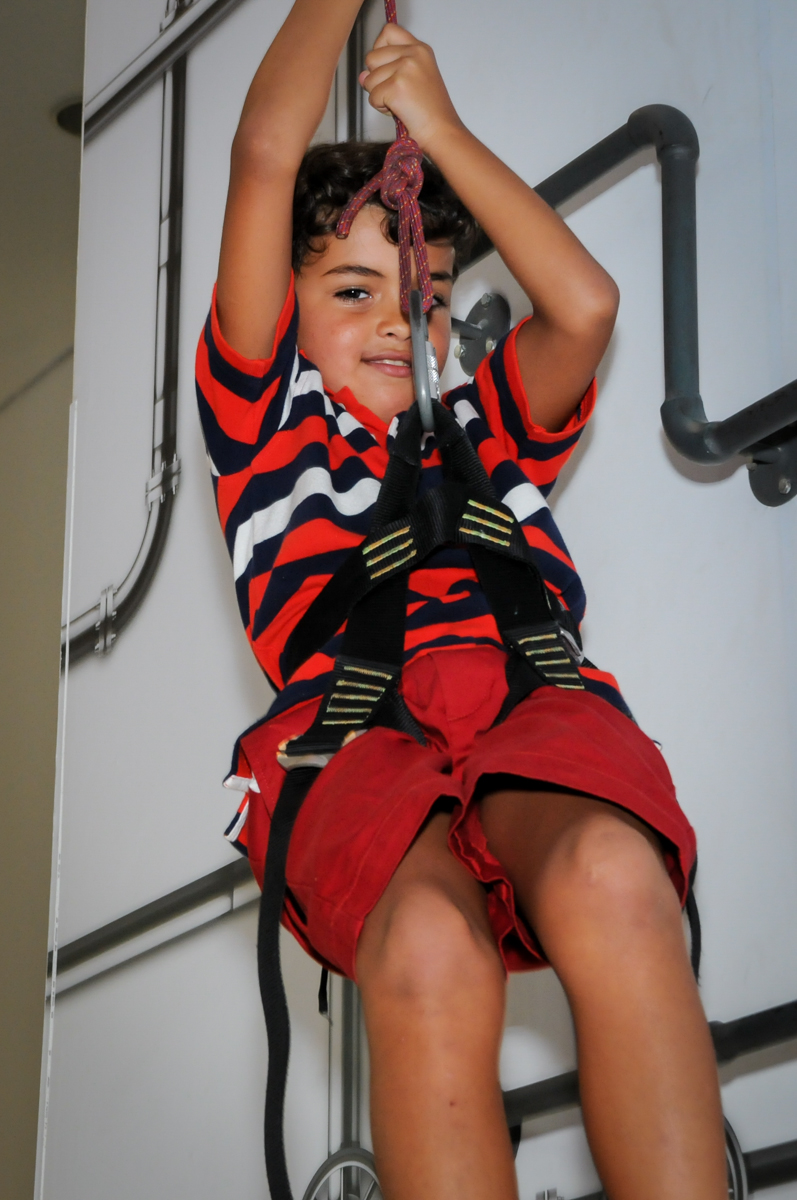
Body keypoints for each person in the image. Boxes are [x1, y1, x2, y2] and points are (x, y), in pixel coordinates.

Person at [196, 2, 727, 1198]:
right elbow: (264, 150)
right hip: (351, 733)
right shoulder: (263, 423)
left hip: (526, 704)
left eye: (421, 296)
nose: (397, 318)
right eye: (351, 291)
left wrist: (436, 128)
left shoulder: (484, 423)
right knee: (430, 947)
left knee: (611, 875)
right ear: (285, 312)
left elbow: (584, 307)